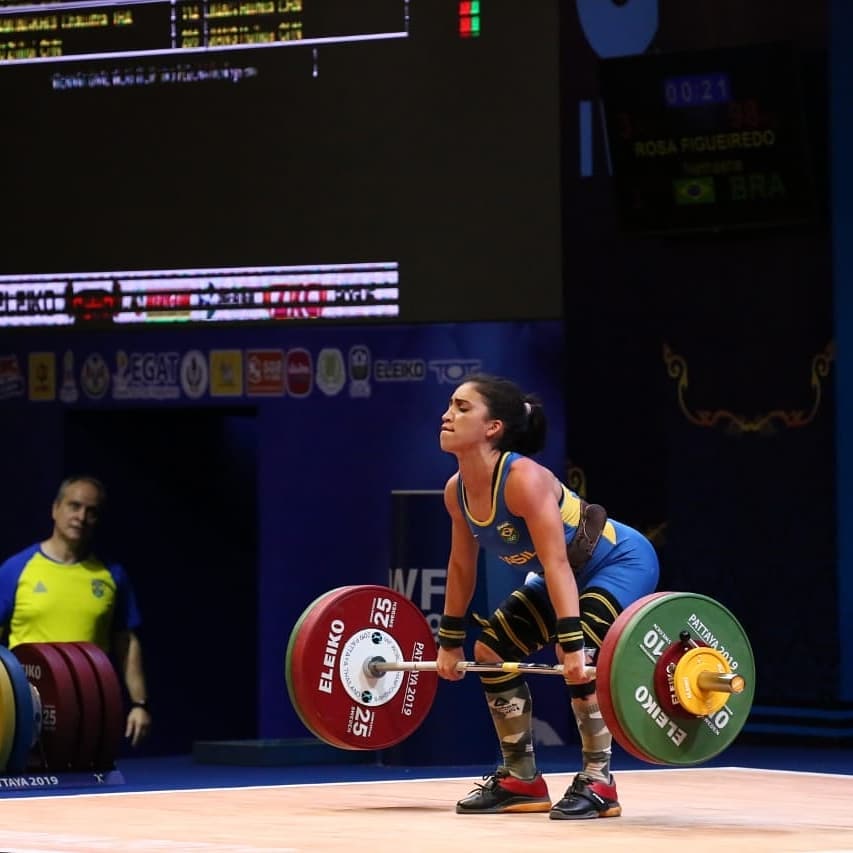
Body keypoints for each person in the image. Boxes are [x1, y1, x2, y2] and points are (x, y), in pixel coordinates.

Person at [435, 374, 659, 819]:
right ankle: (521, 779)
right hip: (561, 574)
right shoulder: (456, 491)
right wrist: (450, 641)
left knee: (579, 653)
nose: (447, 415)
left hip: (618, 563)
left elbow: (556, 563)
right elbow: (461, 567)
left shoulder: (523, 479)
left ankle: (599, 782)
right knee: (490, 652)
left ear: (493, 427)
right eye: (450, 405)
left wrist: (574, 646)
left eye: (462, 407)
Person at [0, 475, 152, 748]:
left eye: (91, 511)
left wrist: (139, 704)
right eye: (74, 506)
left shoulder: (111, 575)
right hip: (27, 712)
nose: (81, 517)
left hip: (90, 711)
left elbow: (126, 642)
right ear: (55, 509)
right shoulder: (15, 569)